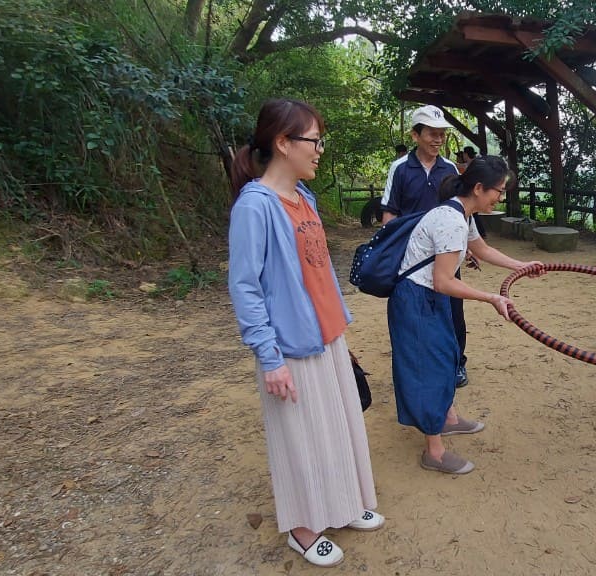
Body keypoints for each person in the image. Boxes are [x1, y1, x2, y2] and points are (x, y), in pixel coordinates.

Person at [227, 99, 381, 568]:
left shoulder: (305, 199)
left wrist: (341, 335)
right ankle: (301, 528)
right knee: (299, 438)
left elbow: (319, 276)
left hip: (327, 336)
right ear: (282, 143)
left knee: (336, 427)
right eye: (313, 141)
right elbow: (245, 286)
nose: (319, 151)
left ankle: (342, 505)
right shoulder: (255, 207)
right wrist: (268, 357)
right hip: (288, 346)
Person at [387, 156, 543, 474]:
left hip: (431, 297)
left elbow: (482, 250)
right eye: (498, 191)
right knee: (429, 367)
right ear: (478, 188)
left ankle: (448, 418)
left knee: (448, 355)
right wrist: (491, 298)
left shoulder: (463, 213)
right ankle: (434, 451)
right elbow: (443, 281)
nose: (500, 197)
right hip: (416, 299)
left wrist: (521, 266)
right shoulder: (450, 220)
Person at [380, 105, 474, 388]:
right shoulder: (399, 169)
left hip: (446, 254)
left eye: (441, 134)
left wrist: (467, 245)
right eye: (432, 134)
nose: (437, 139)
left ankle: (457, 363)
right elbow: (389, 214)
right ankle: (418, 366)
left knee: (453, 310)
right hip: (412, 259)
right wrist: (391, 251)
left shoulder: (450, 170)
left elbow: (463, 210)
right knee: (415, 313)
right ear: (415, 135)